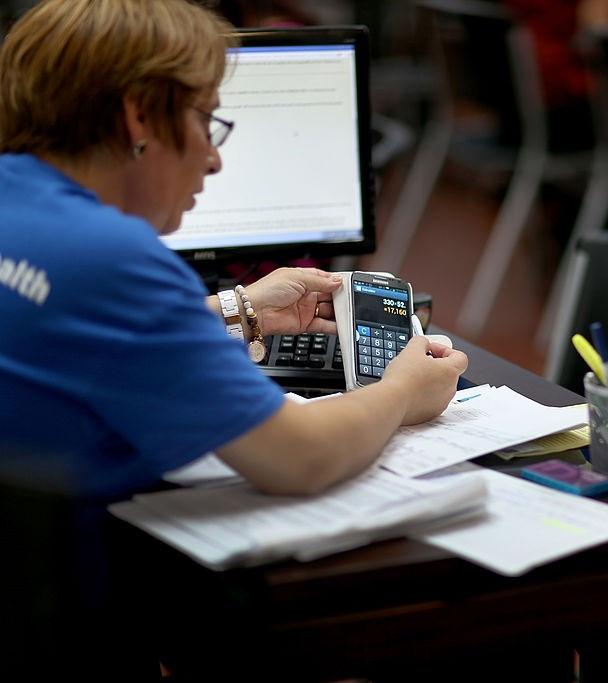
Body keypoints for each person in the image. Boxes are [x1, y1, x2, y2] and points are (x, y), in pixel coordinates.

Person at [0, 0, 467, 500]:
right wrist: (403, 391)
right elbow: (299, 456)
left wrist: (238, 309)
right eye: (207, 124)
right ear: (138, 117)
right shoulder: (113, 258)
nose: (214, 159)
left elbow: (74, 319)